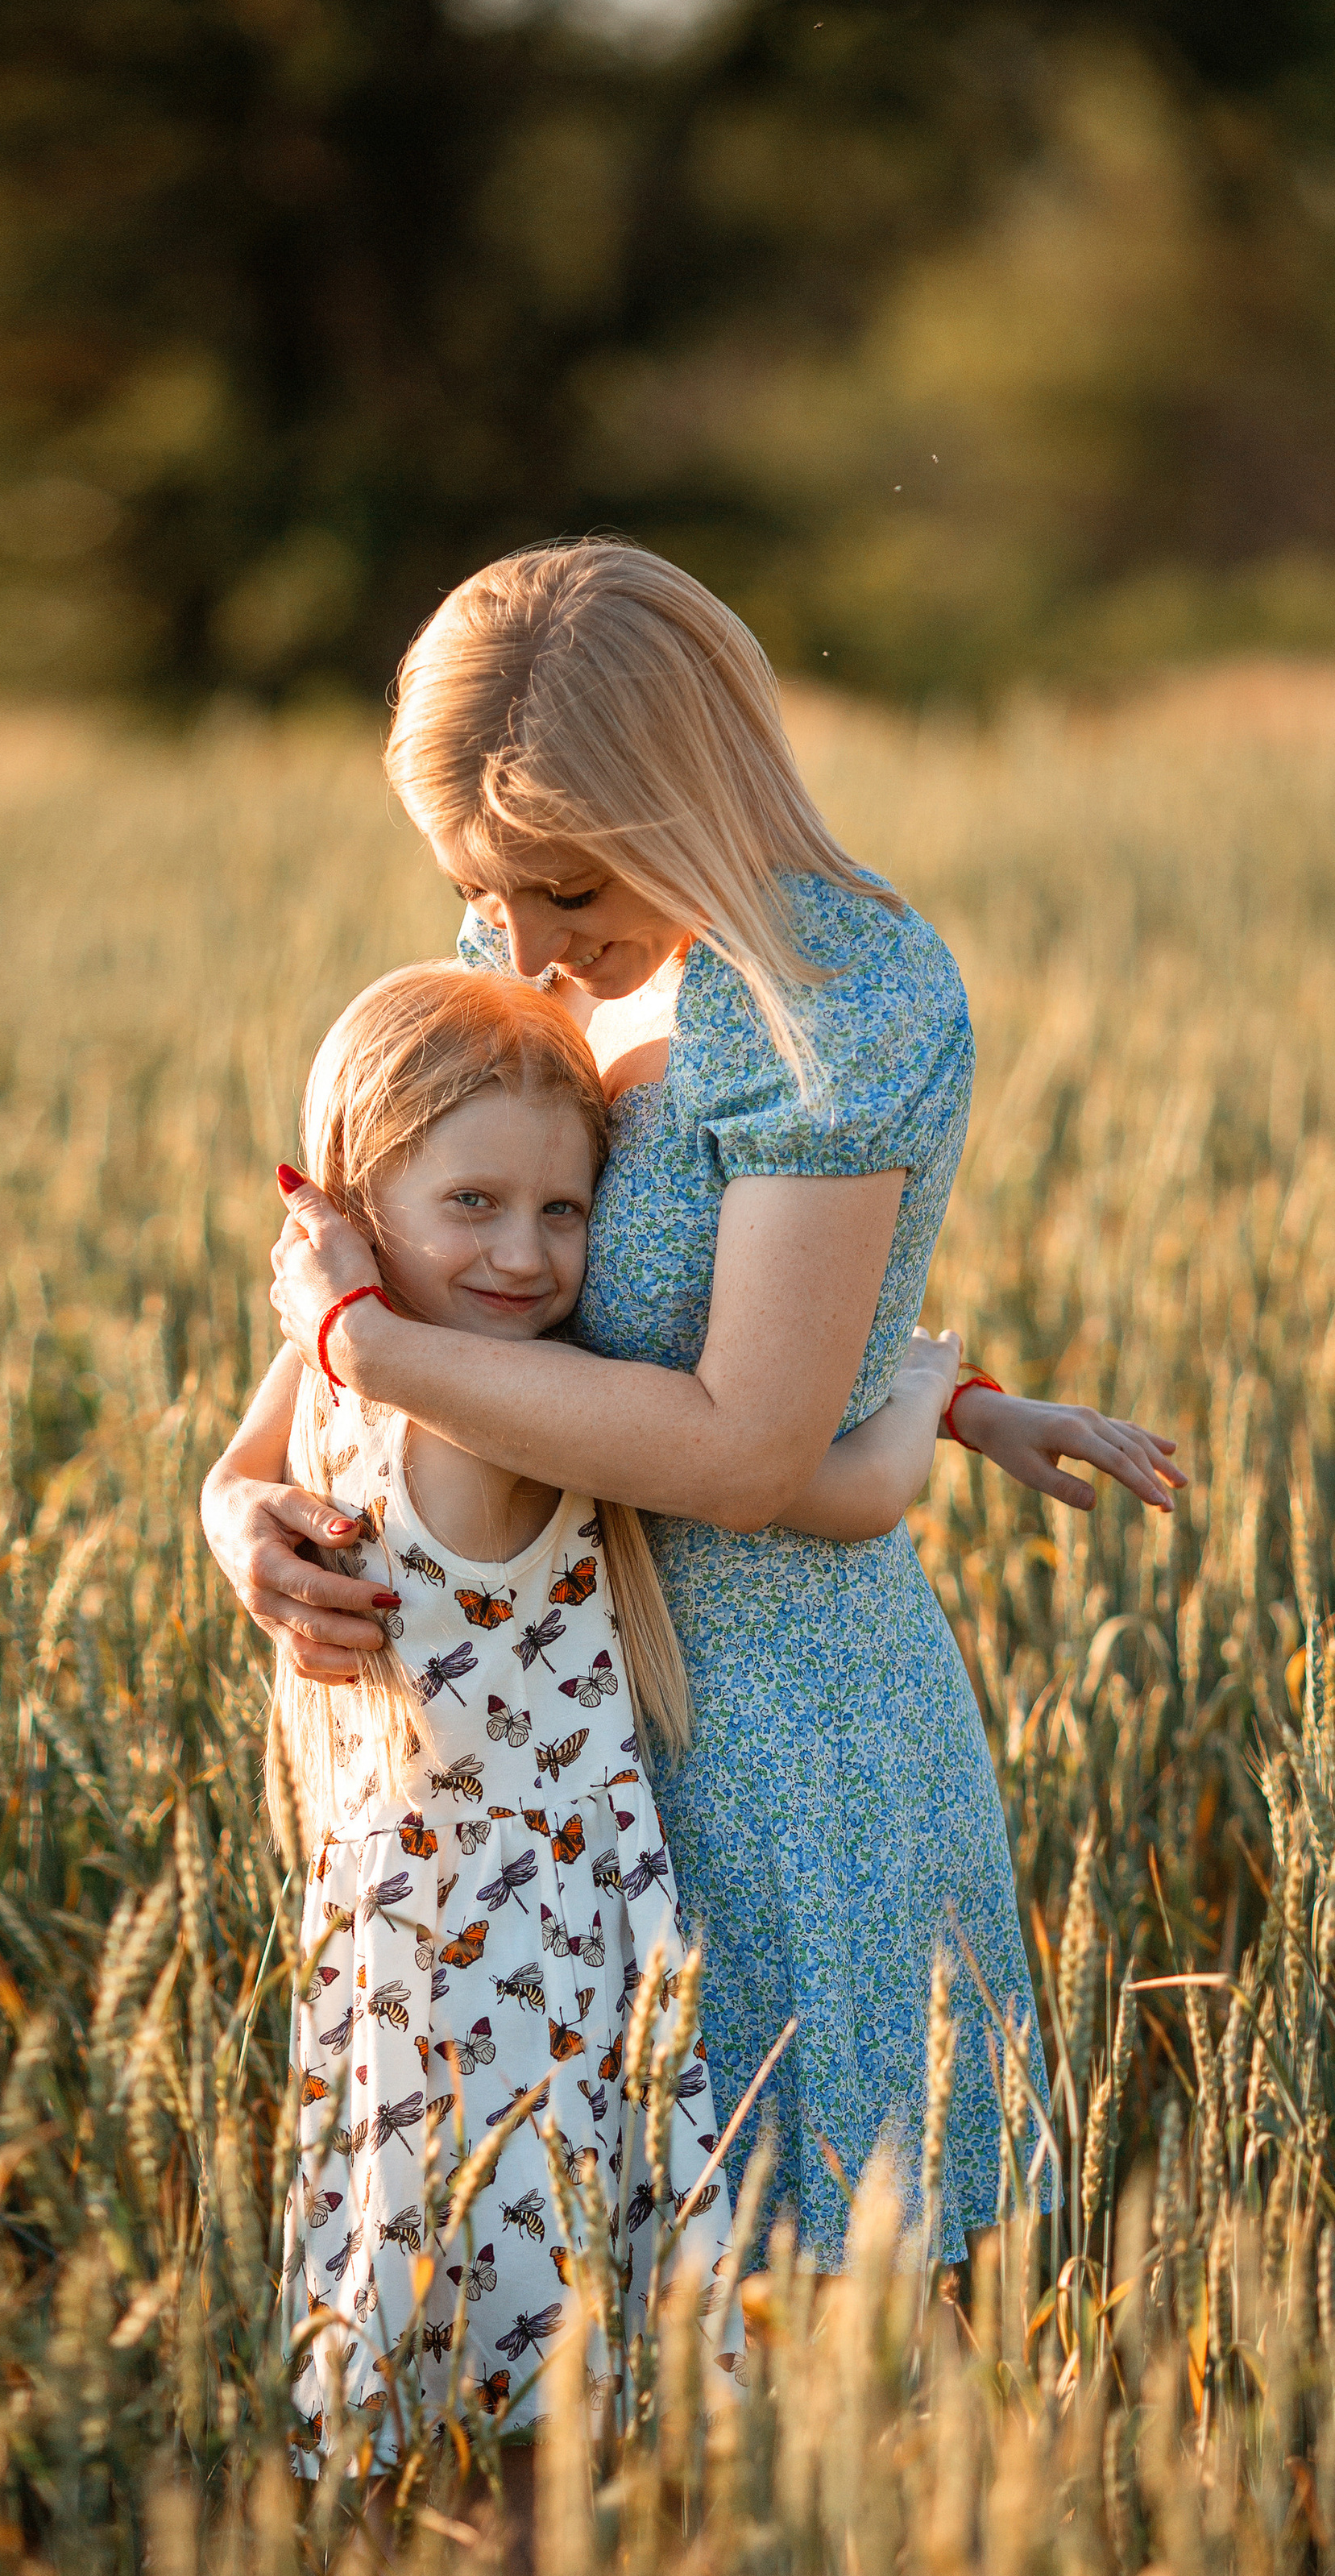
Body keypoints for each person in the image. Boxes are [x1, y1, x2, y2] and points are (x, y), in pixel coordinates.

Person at [205, 541, 1184, 2268]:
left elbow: (742, 1447)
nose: (518, 944)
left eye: (563, 892)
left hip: (780, 1750)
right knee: (589, 2369)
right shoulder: (542, 934)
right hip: (526, 1764)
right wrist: (239, 1498)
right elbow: (399, 1255)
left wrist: (371, 1353)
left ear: (682, 805)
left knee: (853, 2346)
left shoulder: (846, 998)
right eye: (477, 889)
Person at [272, 956, 964, 2480]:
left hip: (403, 1950)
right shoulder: (501, 1411)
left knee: (467, 2361)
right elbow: (833, 1487)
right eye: (477, 1207)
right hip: (536, 1965)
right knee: (563, 2376)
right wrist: (927, 1386)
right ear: (362, 1199)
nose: (525, 1256)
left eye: (565, 1212)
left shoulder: (354, 1379)